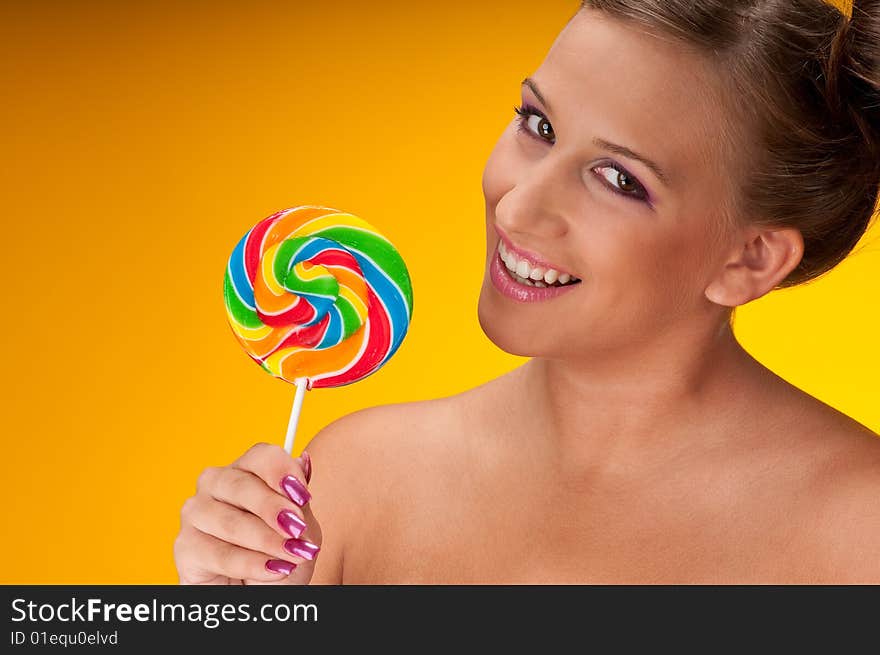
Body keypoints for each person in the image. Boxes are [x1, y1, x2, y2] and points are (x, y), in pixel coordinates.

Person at [173, 0, 880, 584]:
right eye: (538, 125)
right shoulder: (351, 482)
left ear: (750, 259)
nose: (514, 209)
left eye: (619, 179)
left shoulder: (859, 530)